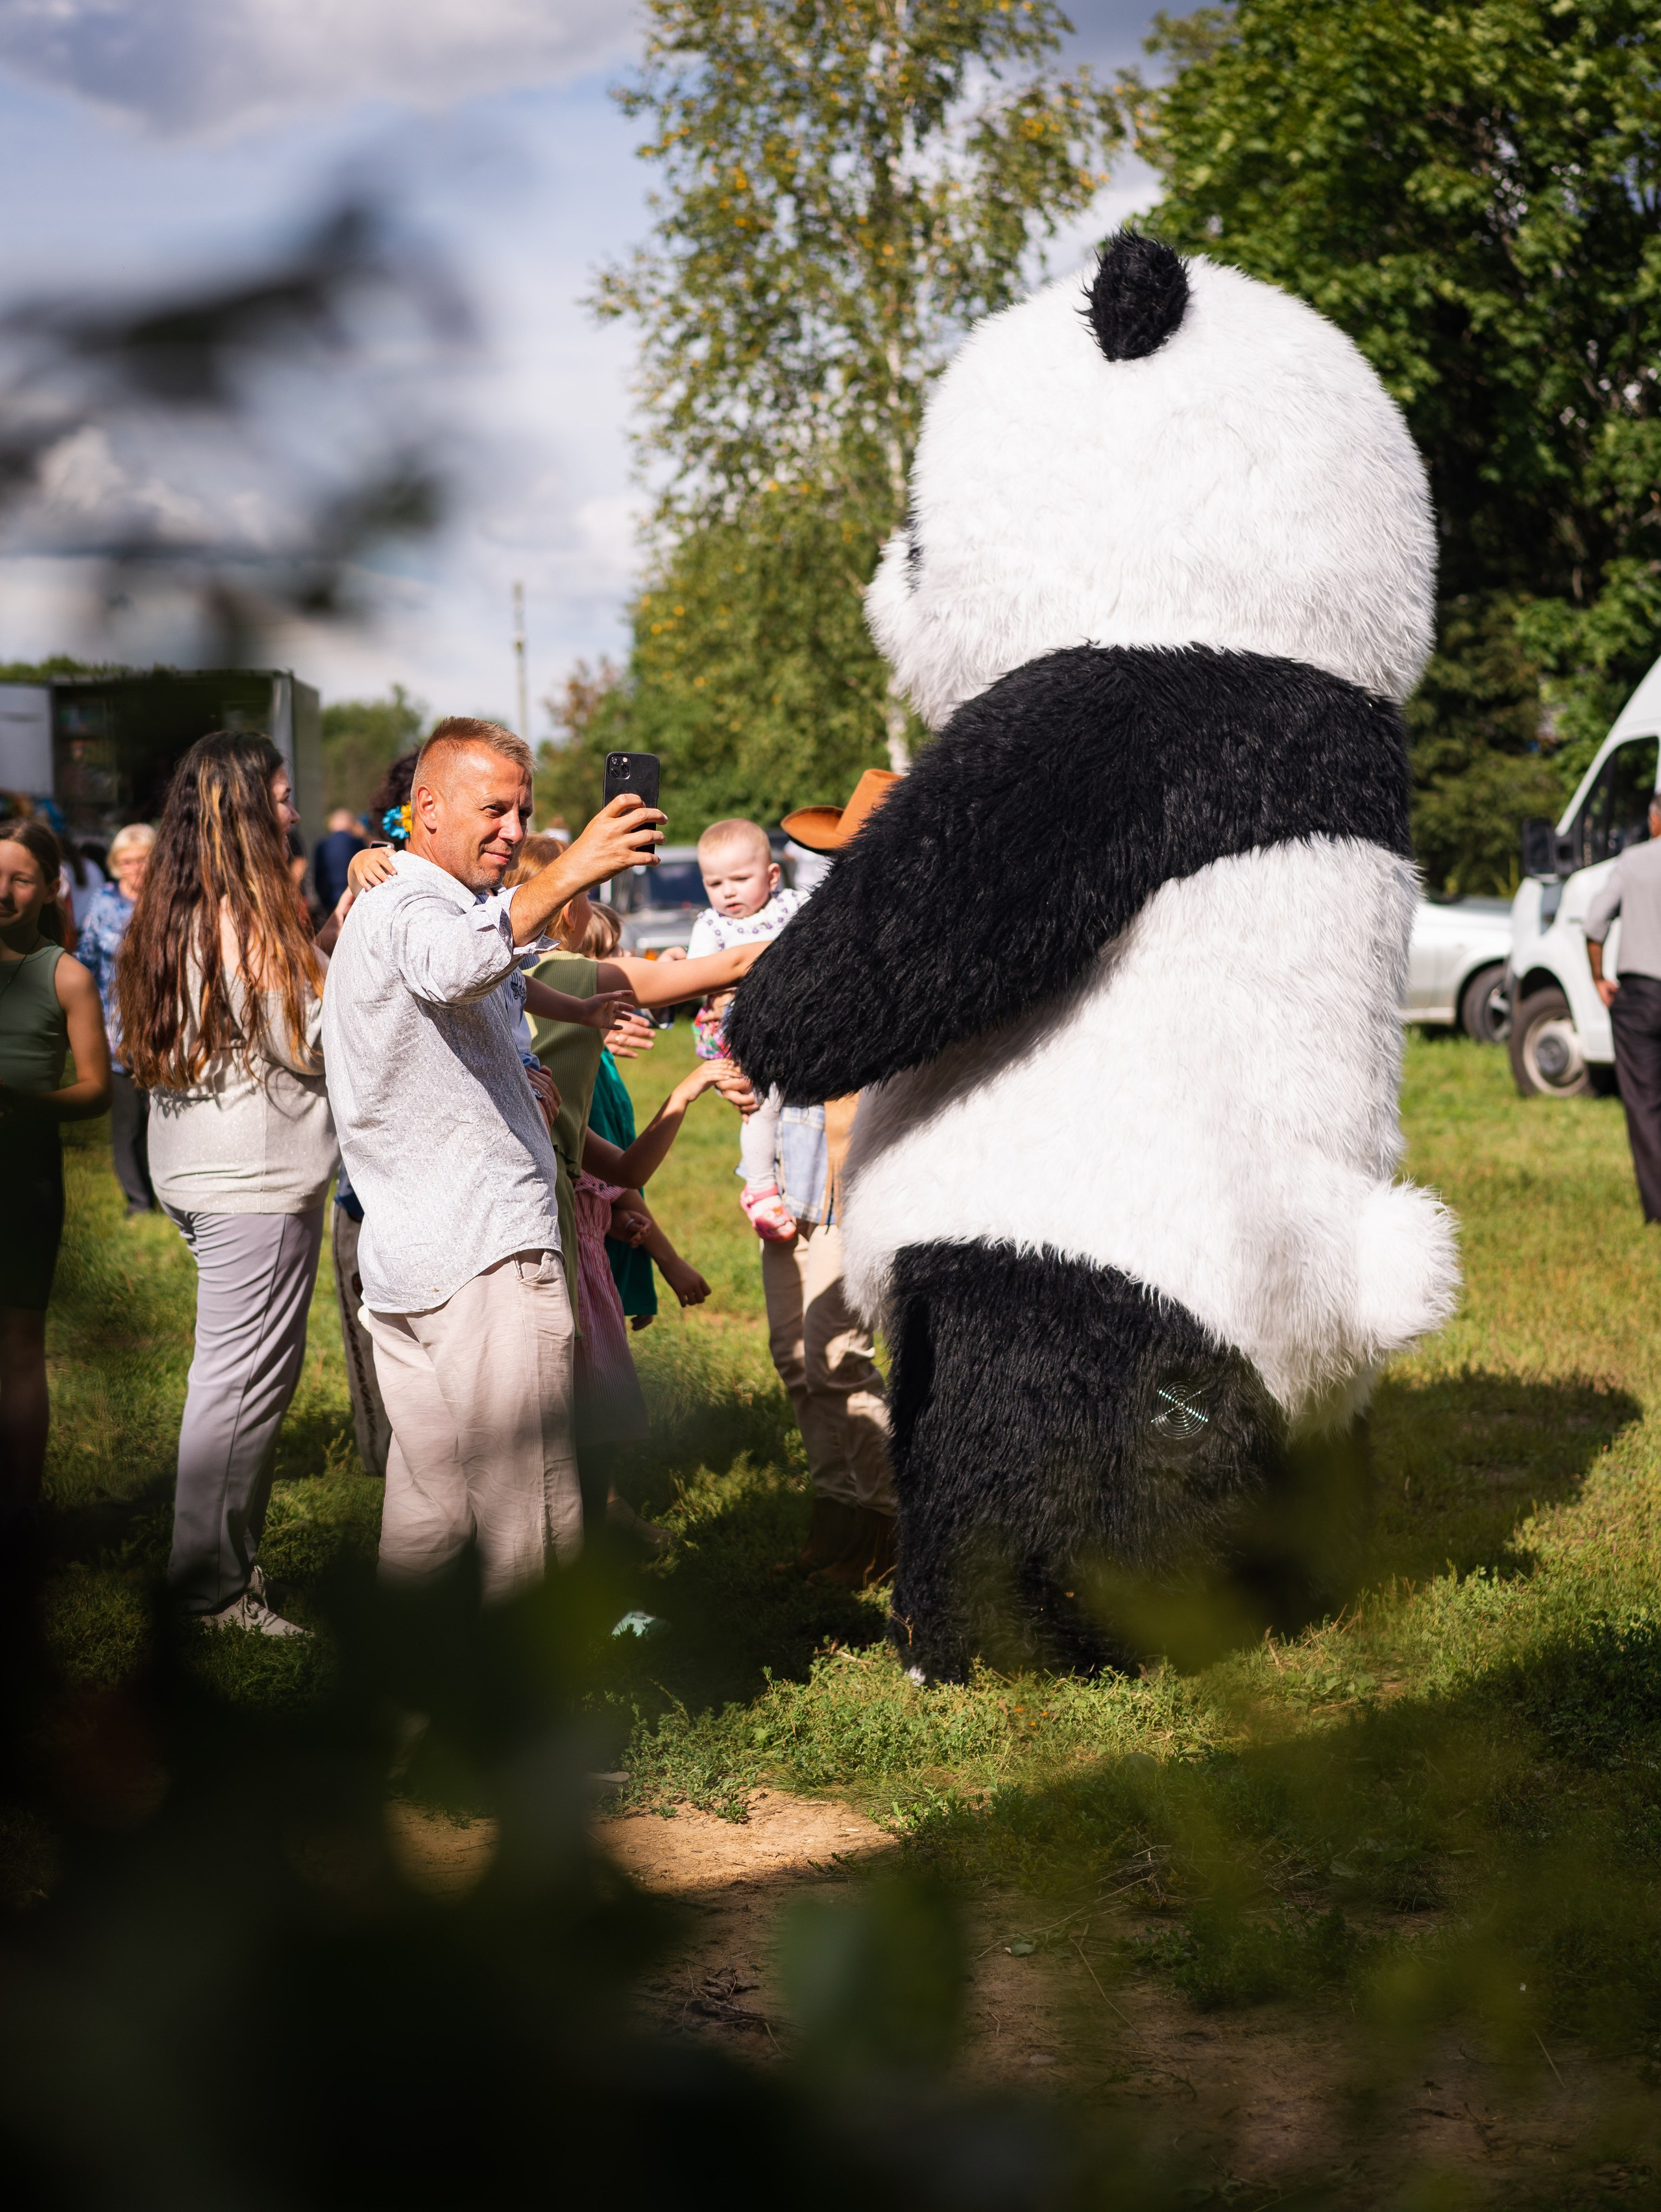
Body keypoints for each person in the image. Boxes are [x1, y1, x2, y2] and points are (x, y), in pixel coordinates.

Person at [320, 717, 666, 1598]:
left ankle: (410, 1700)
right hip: (483, 1259)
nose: (514, 829)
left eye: (526, 811)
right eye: (495, 808)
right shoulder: (412, 905)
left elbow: (481, 980)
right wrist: (574, 866)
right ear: (426, 808)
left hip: (419, 1259)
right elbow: (457, 965)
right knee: (532, 1517)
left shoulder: (404, 902)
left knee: (432, 1514)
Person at [119, 732, 337, 1637]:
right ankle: (210, 1589)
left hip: (200, 1172)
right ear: (248, 810)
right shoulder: (249, 920)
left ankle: (218, 1564)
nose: (293, 811)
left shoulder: (177, 911)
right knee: (241, 1388)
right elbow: (312, 1041)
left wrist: (327, 939)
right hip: (254, 1179)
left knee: (229, 1380)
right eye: (282, 796)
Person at [731, 773, 901, 1591]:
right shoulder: (817, 929)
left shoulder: (905, 940)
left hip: (849, 1178)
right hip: (793, 1175)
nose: (836, 865)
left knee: (839, 1357)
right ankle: (836, 1517)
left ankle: (888, 1526)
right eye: (831, 852)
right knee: (795, 1359)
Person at [0, 818, 112, 1553]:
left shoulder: (64, 973)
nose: (2, 889)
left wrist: (25, 1105)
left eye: (19, 877)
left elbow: (99, 1089)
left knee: (16, 1344)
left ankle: (20, 1510)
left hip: (22, 1176)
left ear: (48, 889)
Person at [685, 819, 806, 1241]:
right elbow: (699, 979)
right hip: (738, 1033)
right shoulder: (712, 926)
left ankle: (791, 1181)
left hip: (793, 1027)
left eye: (740, 878)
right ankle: (759, 1188)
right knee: (762, 1103)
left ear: (772, 876)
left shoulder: (794, 906)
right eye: (715, 883)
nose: (728, 892)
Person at [1586, 790, 1661, 1219]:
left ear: (1655, 821)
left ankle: (1657, 1210)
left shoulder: (1633, 862)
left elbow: (1595, 924)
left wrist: (1598, 977)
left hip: (1642, 997)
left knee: (1646, 1103)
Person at [77, 822, 158, 1216]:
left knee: (157, 1121)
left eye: (141, 860)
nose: (134, 869)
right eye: (126, 862)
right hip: (116, 1031)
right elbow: (86, 963)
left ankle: (161, 1194)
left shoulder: (167, 901)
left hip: (164, 1030)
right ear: (115, 864)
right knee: (127, 1124)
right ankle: (138, 1203)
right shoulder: (103, 903)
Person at [313, 808, 367, 911]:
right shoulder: (357, 843)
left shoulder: (321, 845)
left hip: (330, 900)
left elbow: (318, 876)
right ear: (350, 823)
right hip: (354, 899)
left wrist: (324, 901)